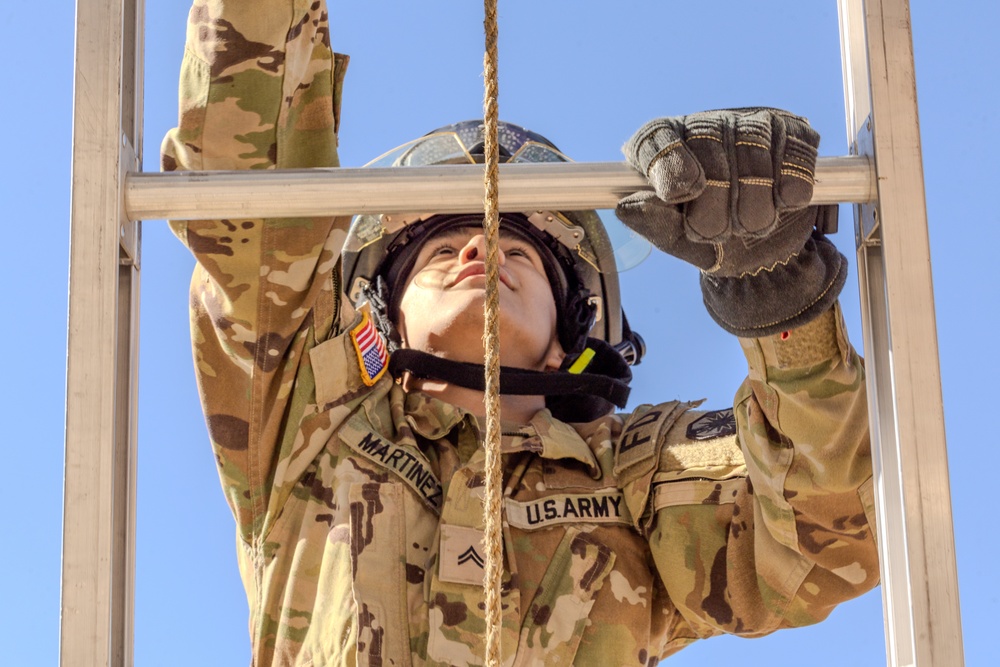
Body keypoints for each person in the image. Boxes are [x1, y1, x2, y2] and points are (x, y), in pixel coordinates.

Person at [163, 1, 879, 665]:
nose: (479, 251)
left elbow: (826, 537)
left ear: (572, 339)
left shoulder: (633, 475)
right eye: (442, 252)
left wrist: (779, 299)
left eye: (518, 252)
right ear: (381, 317)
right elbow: (250, 193)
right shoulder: (305, 423)